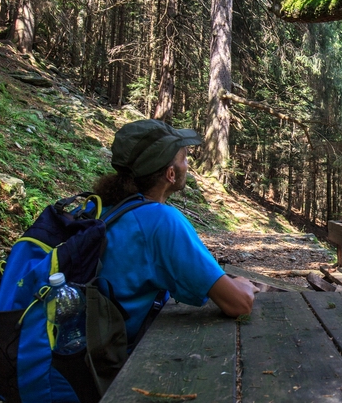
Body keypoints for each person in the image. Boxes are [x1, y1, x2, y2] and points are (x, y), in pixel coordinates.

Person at [91, 119, 255, 345]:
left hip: (65, 358)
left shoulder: (96, 207)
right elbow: (239, 305)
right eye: (184, 159)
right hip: (106, 368)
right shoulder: (160, 221)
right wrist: (244, 285)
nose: (188, 165)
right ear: (170, 174)